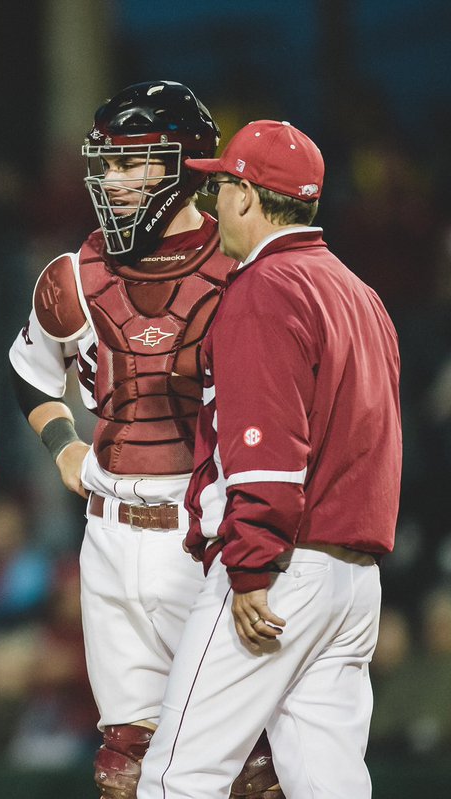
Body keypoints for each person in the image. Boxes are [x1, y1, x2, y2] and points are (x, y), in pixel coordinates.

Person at [8, 80, 282, 797]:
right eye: (110, 163)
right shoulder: (72, 273)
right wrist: (65, 445)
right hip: (107, 533)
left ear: (189, 164)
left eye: (138, 163)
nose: (117, 180)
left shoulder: (245, 268)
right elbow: (32, 375)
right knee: (124, 759)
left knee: (246, 760)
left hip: (209, 535)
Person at [138, 120, 402, 798]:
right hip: (354, 578)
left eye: (222, 185)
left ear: (249, 196)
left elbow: (267, 453)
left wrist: (252, 565)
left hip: (281, 569)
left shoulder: (265, 289)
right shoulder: (359, 294)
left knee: (177, 778)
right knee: (329, 782)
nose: (216, 200)